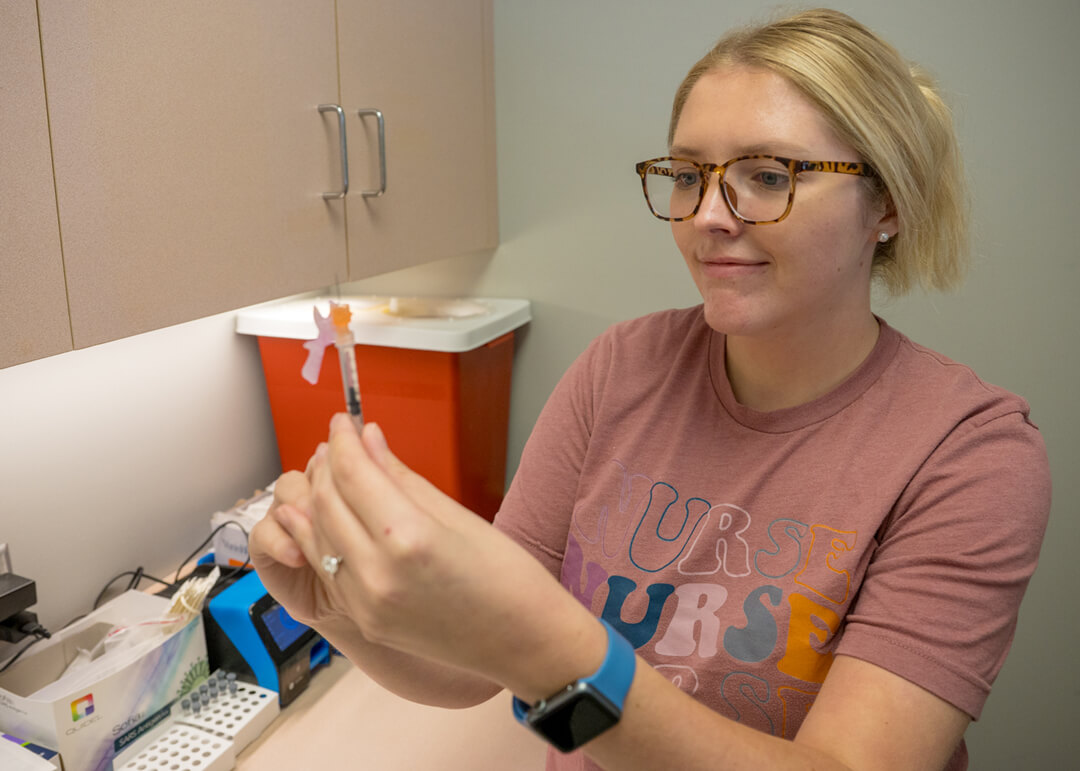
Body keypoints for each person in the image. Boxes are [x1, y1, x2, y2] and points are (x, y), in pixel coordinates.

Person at [249, 8, 1050, 770]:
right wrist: (335, 612)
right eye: (687, 175)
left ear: (888, 205)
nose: (708, 215)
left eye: (766, 175)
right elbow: (475, 671)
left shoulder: (970, 455)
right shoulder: (621, 369)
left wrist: (556, 650)